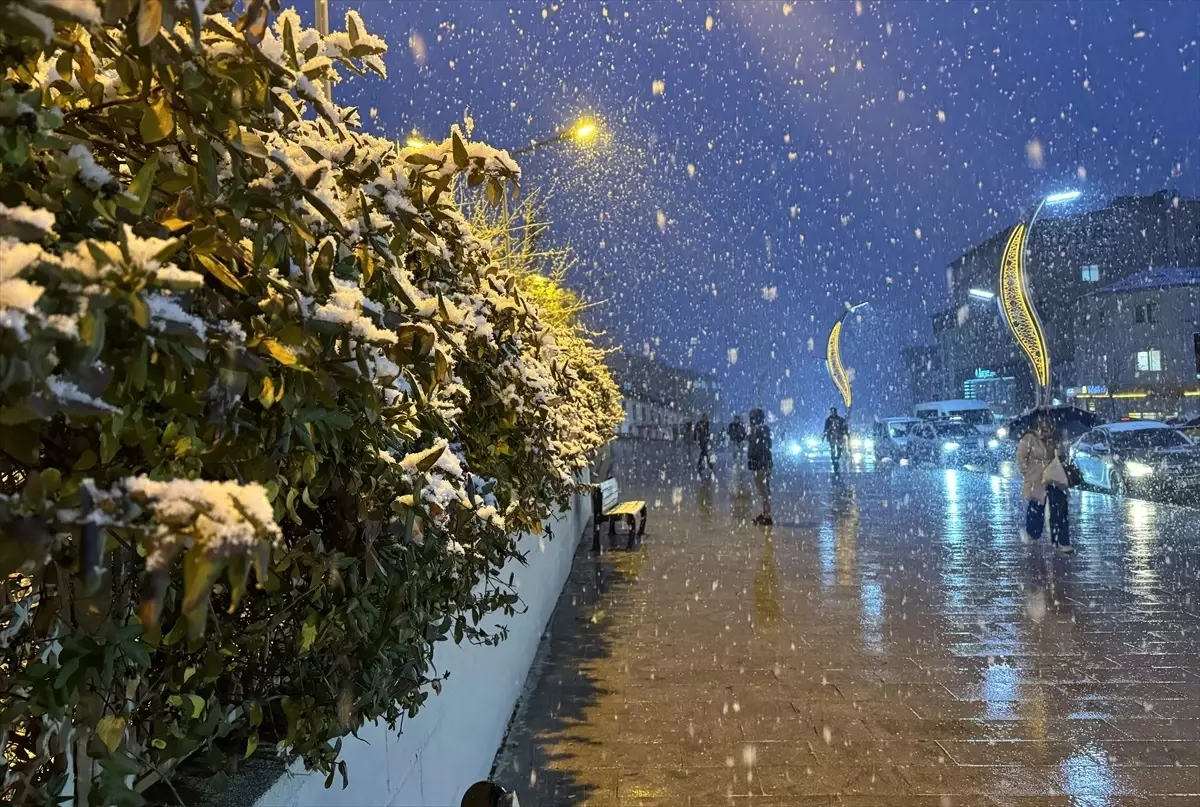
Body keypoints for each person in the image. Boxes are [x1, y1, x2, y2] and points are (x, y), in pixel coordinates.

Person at [1016, 415, 1074, 554]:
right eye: (1043, 422)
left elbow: (1063, 456)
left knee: (1059, 509)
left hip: (1055, 477)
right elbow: (1021, 457)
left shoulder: (1057, 437)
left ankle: (1061, 541)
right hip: (1037, 478)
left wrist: (1060, 450)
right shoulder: (1029, 438)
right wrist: (1027, 471)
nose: (1047, 426)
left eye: (1049, 422)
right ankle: (1033, 534)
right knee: (1036, 507)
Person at [747, 408, 773, 525]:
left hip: (760, 464)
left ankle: (767, 516)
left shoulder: (760, 429)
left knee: (763, 490)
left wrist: (759, 461)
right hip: (760, 463)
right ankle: (765, 513)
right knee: (762, 490)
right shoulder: (760, 429)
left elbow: (760, 447)